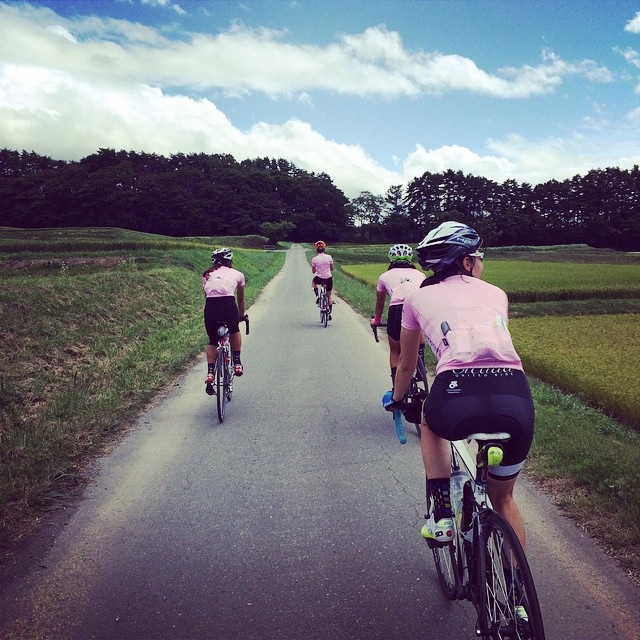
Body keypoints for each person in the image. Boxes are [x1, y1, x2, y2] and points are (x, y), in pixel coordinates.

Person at [384, 221, 534, 550]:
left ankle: (441, 516)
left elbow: (408, 363)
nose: (482, 264)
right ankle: (517, 597)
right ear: (467, 261)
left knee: (428, 420)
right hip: (515, 395)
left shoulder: (417, 298)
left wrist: (397, 398)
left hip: (455, 391)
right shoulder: (497, 293)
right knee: (503, 497)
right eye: (479, 257)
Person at [369, 244, 426, 386]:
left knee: (395, 351)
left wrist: (376, 320)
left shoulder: (384, 277)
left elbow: (379, 304)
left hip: (397, 309)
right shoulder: (421, 275)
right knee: (418, 333)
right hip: (417, 307)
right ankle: (421, 366)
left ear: (391, 259)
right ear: (410, 259)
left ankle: (397, 385)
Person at [203, 247, 246, 395]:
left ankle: (210, 373)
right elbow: (240, 300)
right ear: (230, 260)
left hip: (211, 307)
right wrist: (241, 315)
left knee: (213, 341)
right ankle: (237, 362)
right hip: (228, 304)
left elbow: (207, 296)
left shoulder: (207, 275)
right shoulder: (238, 274)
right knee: (234, 330)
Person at [311, 240, 334, 317]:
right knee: (329, 295)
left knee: (313, 282)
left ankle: (317, 296)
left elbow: (313, 271)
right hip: (328, 278)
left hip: (320, 278)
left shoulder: (314, 259)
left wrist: (317, 269)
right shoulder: (329, 257)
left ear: (316, 249)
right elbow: (332, 269)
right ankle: (330, 313)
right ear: (324, 248)